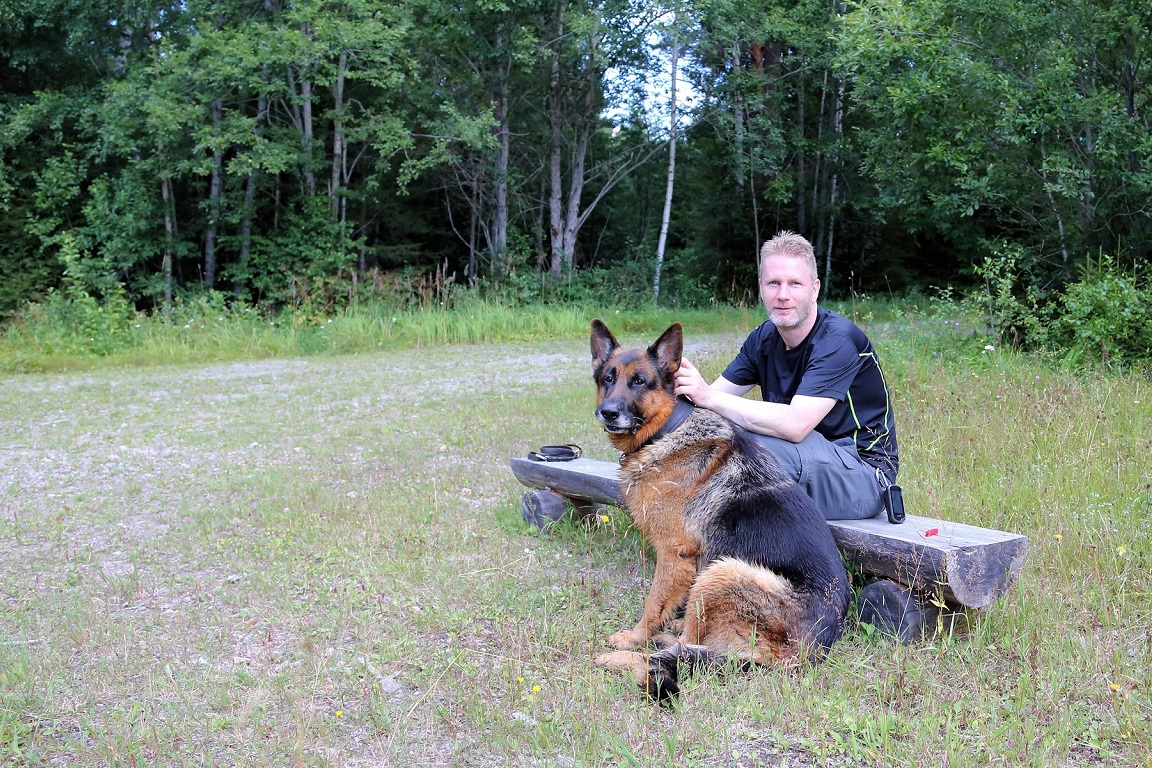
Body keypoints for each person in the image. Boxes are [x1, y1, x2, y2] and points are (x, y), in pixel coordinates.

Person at [673, 230, 898, 520]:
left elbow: (795, 425)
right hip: (805, 458)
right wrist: (679, 396)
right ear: (761, 288)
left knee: (749, 449)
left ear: (814, 289)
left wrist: (708, 396)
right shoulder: (764, 338)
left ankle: (725, 547)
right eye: (773, 283)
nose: (783, 295)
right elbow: (708, 404)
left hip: (865, 475)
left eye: (795, 284)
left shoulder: (838, 341)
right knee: (717, 434)